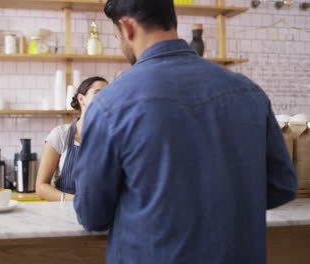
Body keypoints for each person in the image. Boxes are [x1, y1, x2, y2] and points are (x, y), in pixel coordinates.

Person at [73, 0, 297, 263]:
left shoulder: (109, 104)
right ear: (172, 20)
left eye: (116, 36)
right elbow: (281, 186)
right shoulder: (248, 91)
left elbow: (91, 214)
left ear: (127, 27)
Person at [36, 77, 108, 201]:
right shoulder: (60, 135)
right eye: (99, 93)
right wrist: (77, 201)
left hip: (101, 212)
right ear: (81, 99)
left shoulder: (112, 137)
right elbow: (41, 187)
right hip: (65, 212)